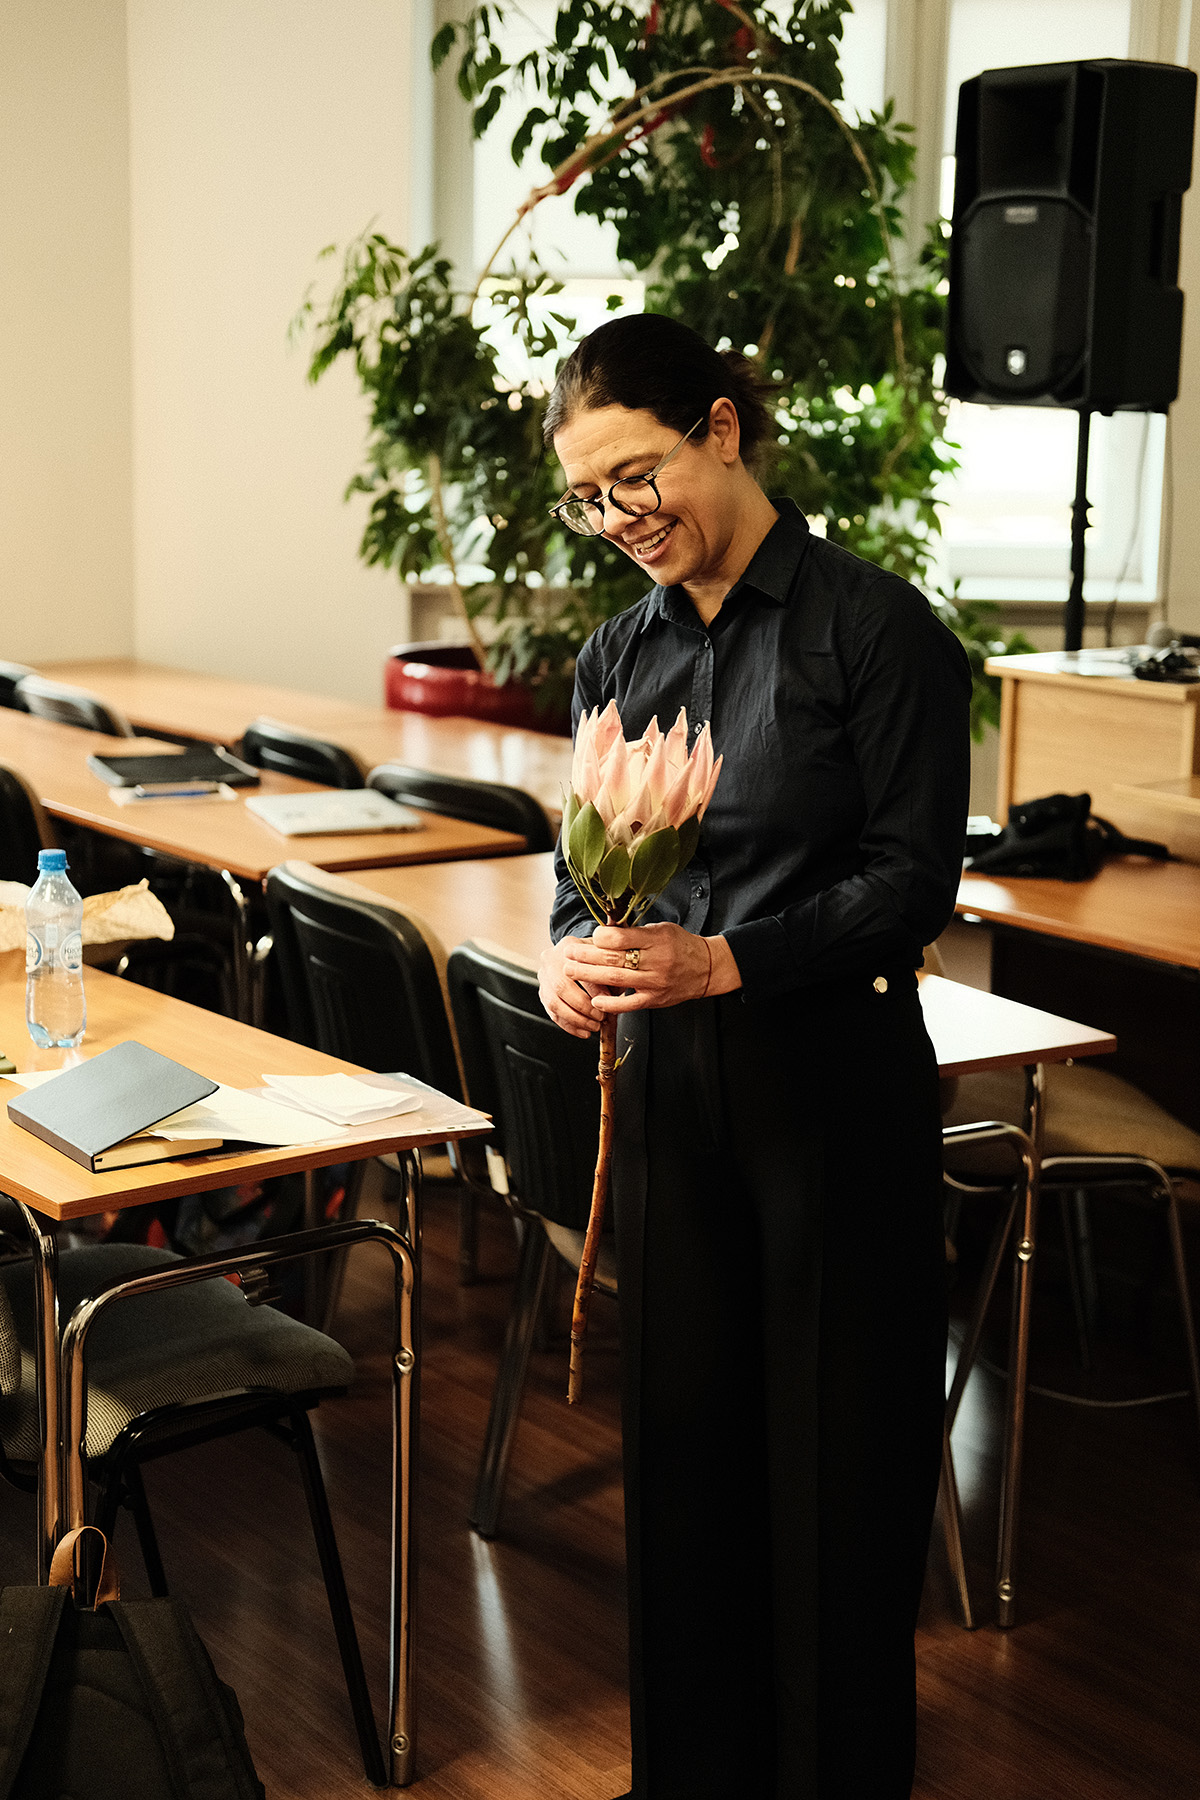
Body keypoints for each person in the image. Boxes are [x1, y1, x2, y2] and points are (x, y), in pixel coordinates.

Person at [538, 312, 971, 1800]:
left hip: (832, 1097)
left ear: (722, 429)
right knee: (686, 1474)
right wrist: (566, 960)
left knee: (835, 1487)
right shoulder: (618, 651)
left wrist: (726, 958)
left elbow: (915, 887)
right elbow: (577, 869)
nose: (618, 519)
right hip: (674, 1105)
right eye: (589, 497)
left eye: (636, 474)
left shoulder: (876, 628)